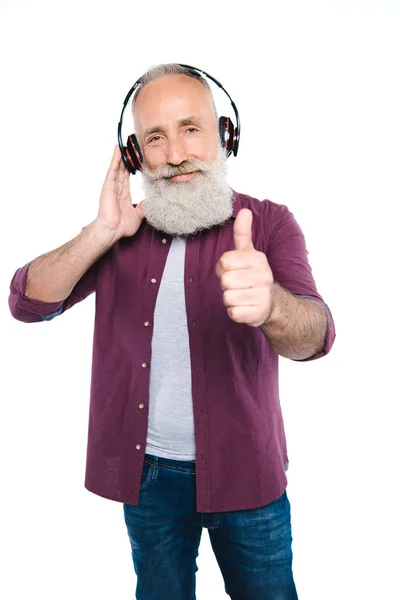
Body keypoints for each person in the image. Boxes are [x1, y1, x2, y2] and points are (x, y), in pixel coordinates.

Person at [8, 63, 336, 600]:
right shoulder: (121, 231)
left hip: (248, 473)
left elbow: (315, 337)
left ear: (224, 136)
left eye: (190, 129)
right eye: (155, 138)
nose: (177, 153)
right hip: (148, 478)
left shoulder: (270, 223)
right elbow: (27, 302)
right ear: (135, 155)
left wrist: (272, 304)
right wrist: (100, 232)